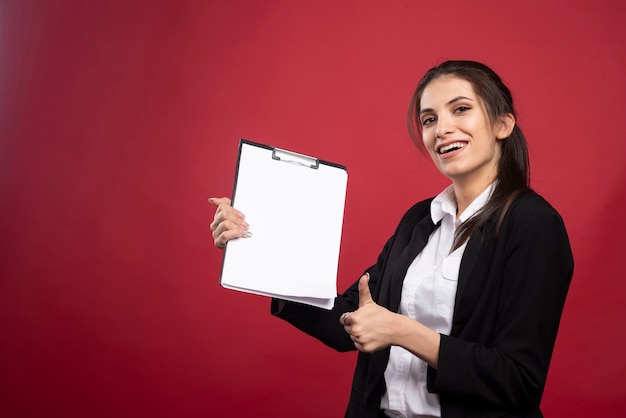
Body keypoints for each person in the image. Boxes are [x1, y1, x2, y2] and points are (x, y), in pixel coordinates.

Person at [209, 60, 574, 418]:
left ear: (502, 123)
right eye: (429, 119)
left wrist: (402, 331)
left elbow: (518, 379)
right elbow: (349, 318)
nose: (442, 129)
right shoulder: (420, 220)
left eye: (460, 109)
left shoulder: (533, 224)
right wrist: (254, 248)